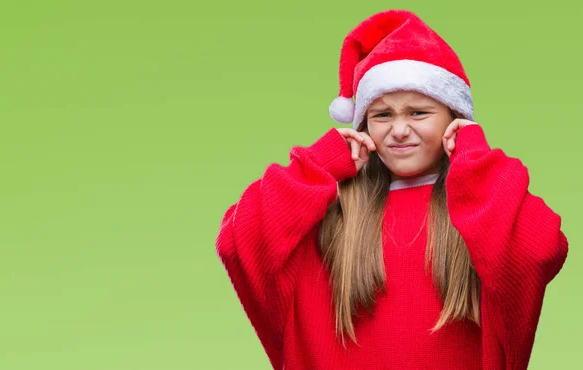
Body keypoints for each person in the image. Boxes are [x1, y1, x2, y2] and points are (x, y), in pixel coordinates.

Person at [214, 9, 569, 370]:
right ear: (364, 124)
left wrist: (474, 159)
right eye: (382, 115)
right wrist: (318, 165)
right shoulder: (330, 210)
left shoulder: (482, 208)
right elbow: (237, 242)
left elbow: (539, 250)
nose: (399, 130)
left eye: (418, 113)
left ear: (455, 117)